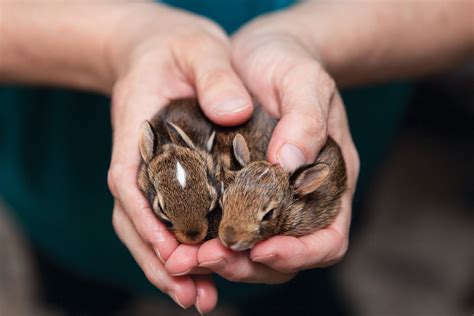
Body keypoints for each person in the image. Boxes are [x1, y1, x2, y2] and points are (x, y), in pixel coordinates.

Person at [0, 1, 472, 314]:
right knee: (74, 290)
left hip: (340, 94)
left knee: (297, 285)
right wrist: (123, 40)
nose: (215, 229)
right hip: (61, 179)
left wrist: (307, 40)